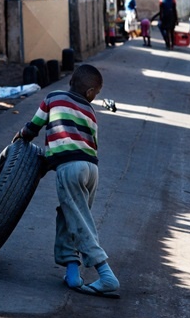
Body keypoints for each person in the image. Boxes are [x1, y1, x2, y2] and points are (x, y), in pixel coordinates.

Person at [14, 64, 120, 299]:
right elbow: (92, 144)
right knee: (69, 216)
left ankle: (105, 274)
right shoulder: (91, 113)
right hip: (91, 169)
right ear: (90, 92)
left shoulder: (53, 98)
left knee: (79, 220)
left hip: (70, 169)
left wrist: (22, 137)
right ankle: (72, 274)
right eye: (98, 93)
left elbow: (34, 126)